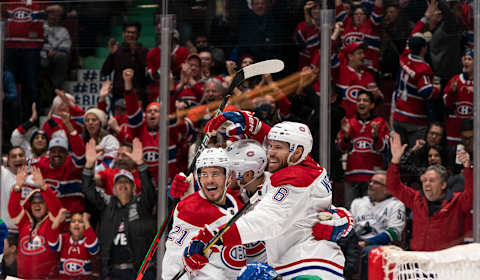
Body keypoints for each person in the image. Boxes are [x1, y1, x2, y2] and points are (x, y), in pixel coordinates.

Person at [187, 119, 345, 279]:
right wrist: (255, 125)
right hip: (303, 263)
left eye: (277, 147)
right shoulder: (306, 169)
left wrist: (213, 238)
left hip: (308, 265)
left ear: (297, 152)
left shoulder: (295, 180)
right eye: (271, 146)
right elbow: (292, 144)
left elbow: (266, 221)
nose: (270, 152)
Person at [163, 148, 247, 279]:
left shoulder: (237, 204)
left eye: (215, 173)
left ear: (229, 176)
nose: (209, 180)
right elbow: (172, 265)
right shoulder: (190, 210)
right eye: (204, 174)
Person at [82, 138, 156, 279]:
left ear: (134, 187)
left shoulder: (142, 204)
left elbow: (149, 190)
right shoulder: (107, 205)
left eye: (127, 182)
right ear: (114, 188)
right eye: (119, 182)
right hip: (112, 272)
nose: (122, 185)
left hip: (140, 272)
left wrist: (140, 164)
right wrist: (89, 164)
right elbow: (88, 189)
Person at [387, 133, 473, 251]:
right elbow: (393, 186)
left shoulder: (457, 202)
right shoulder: (416, 199)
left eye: (431, 180)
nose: (426, 184)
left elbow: (472, 196)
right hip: (420, 261)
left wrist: (468, 168)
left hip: (447, 263)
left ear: (443, 184)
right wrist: (395, 160)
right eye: (424, 180)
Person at [337, 90, 389, 208]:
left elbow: (384, 149)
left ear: (372, 105)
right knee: (350, 213)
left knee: (371, 213)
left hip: (372, 178)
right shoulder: (349, 122)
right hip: (351, 176)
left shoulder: (379, 122)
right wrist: (345, 136)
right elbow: (341, 149)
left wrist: (375, 136)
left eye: (365, 100)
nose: (361, 103)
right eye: (359, 100)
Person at [350, 170, 406, 280]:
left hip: (382, 245)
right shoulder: (357, 203)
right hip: (356, 242)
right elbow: (349, 226)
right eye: (371, 181)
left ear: (387, 189)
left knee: (369, 252)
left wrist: (367, 242)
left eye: (376, 183)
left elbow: (394, 233)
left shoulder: (396, 205)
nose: (370, 184)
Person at [9, 166, 61, 279]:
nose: (37, 205)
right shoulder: (24, 223)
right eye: (34, 203)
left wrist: (43, 186)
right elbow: (13, 210)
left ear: (47, 205)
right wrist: (17, 187)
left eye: (41, 202)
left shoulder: (52, 222)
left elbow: (56, 208)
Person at [392, 31, 440, 148]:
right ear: (424, 48)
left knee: (400, 154)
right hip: (414, 120)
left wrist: (423, 22)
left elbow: (410, 39)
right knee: (415, 156)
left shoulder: (404, 57)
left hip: (398, 116)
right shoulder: (422, 69)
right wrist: (438, 88)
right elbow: (425, 92)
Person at [34, 112, 86, 217]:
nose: (57, 154)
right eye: (54, 151)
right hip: (50, 220)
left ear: (67, 154)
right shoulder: (42, 163)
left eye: (61, 151)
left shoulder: (73, 164)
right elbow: (21, 162)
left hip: (72, 221)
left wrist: (68, 125)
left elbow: (80, 153)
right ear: (49, 153)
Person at [100, 22, 148, 105]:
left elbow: (145, 74)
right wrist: (111, 54)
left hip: (137, 95)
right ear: (123, 34)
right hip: (119, 95)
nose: (130, 35)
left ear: (138, 35)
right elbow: (105, 71)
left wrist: (134, 53)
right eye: (127, 32)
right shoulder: (117, 50)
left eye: (133, 33)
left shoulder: (144, 51)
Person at [47, 209, 99, 279]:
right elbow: (52, 244)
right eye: (73, 221)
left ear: (85, 226)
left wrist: (86, 220)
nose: (76, 223)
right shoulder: (64, 239)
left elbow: (94, 248)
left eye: (81, 221)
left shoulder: (88, 240)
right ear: (69, 227)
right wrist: (58, 219)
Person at [334, 42, 381, 119]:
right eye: (359, 53)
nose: (363, 56)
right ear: (350, 56)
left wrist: (376, 96)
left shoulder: (369, 76)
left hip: (360, 123)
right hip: (341, 121)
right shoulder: (340, 72)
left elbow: (375, 100)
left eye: (363, 53)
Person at [335, 0, 384, 74]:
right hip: (346, 69)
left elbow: (378, 8)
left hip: (368, 69)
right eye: (356, 14)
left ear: (366, 16)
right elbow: (339, 8)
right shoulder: (346, 24)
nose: (358, 16)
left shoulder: (372, 25)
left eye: (361, 14)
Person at [443, 50, 474, 146]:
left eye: (469, 59)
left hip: (472, 134)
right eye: (465, 59)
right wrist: (452, 92)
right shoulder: (455, 79)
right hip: (454, 131)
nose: (466, 62)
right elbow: (446, 102)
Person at [41, 4, 72, 90]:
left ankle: (56, 88)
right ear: (47, 15)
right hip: (39, 55)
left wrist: (55, 52)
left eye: (57, 15)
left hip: (55, 56)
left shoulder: (63, 31)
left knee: (62, 57)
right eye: (51, 13)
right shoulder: (39, 25)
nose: (54, 17)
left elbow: (66, 48)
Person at [81, 108, 119, 173]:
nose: (90, 123)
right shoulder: (83, 141)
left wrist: (93, 172)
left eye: (94, 120)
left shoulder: (109, 140)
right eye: (87, 120)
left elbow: (111, 162)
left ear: (100, 123)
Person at [1, 146, 27, 233]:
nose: (18, 158)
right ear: (8, 160)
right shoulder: (3, 174)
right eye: (14, 156)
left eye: (21, 155)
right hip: (7, 232)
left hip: (28, 232)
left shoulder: (35, 176)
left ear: (26, 158)